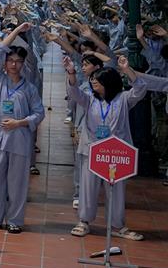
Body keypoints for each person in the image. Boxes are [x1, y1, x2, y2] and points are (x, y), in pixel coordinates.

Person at [65, 54, 168, 239]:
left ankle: (117, 225)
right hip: (92, 149)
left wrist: (127, 69)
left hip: (116, 152)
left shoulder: (124, 99)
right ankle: (84, 221)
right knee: (88, 187)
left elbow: (140, 88)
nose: (93, 83)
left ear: (109, 83)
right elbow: (74, 92)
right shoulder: (90, 99)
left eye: (97, 81)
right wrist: (71, 72)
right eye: (92, 80)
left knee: (116, 189)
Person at [0, 23, 45, 234]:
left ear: (23, 64)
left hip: (19, 139)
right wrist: (15, 31)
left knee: (17, 182)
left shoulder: (29, 88)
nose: (14, 64)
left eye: (18, 61)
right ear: (5, 63)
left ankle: (15, 220)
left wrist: (20, 122)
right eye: (11, 60)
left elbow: (39, 113)